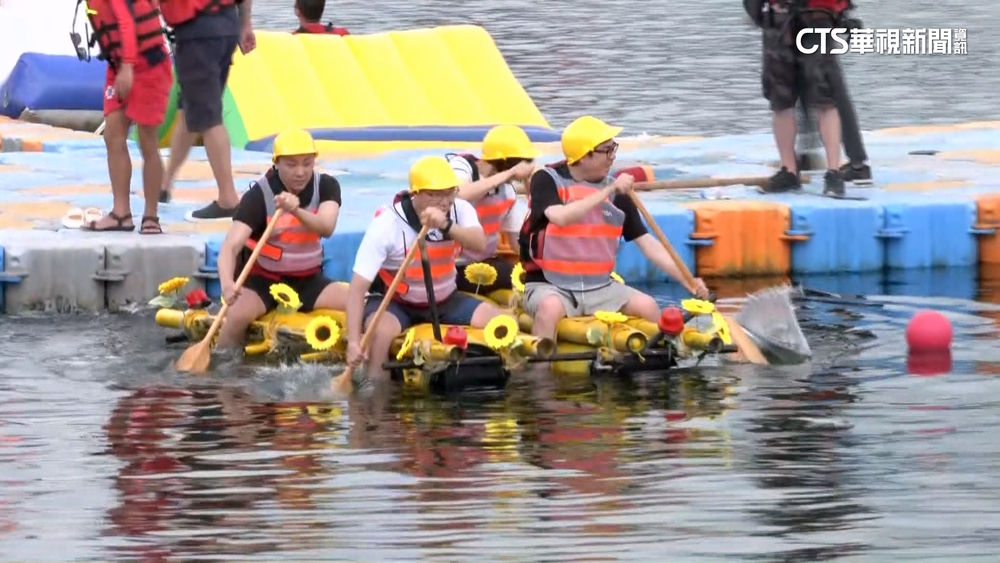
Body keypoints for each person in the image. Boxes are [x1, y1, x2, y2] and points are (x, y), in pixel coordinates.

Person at [518, 115, 711, 341]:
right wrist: (607, 192)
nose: (613, 157)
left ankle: (655, 363)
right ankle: (541, 371)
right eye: (607, 151)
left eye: (614, 149)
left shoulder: (617, 191)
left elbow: (647, 244)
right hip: (550, 285)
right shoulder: (546, 179)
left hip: (600, 287)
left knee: (648, 306)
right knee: (549, 309)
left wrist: (687, 280)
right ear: (584, 155)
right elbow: (559, 217)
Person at [345, 156, 516, 383]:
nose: (443, 202)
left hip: (445, 300)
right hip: (396, 303)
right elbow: (357, 288)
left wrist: (445, 225)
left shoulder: (461, 210)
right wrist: (354, 342)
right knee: (380, 336)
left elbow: (478, 242)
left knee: (502, 322)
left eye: (448, 193)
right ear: (415, 194)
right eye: (433, 195)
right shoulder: (387, 224)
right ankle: (375, 393)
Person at [214, 129, 348, 350]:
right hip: (263, 281)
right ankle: (225, 366)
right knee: (237, 316)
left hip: (308, 280)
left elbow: (326, 227)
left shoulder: (326, 186)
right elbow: (230, 247)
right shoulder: (258, 196)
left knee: (356, 303)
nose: (300, 172)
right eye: (291, 164)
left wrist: (296, 211)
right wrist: (227, 284)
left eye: (307, 163)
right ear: (276, 164)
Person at [76, 0, 171, 234]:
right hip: (118, 65)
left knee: (147, 141)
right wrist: (123, 66)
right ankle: (121, 214)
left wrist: (128, 66)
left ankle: (151, 216)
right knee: (112, 136)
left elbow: (126, 21)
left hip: (147, 65)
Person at [157, 0, 256, 221]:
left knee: (209, 117)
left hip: (198, 31)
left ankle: (228, 199)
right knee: (191, 108)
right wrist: (244, 24)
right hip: (226, 25)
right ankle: (164, 185)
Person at [751, 0, 849, 197]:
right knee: (781, 100)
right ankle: (789, 171)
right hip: (781, 18)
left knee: (825, 99)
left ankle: (833, 172)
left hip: (817, 15)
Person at [447, 125, 537, 294]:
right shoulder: (461, 167)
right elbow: (456, 195)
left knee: (534, 278)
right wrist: (508, 173)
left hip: (485, 263)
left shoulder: (507, 192)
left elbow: (515, 243)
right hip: (451, 267)